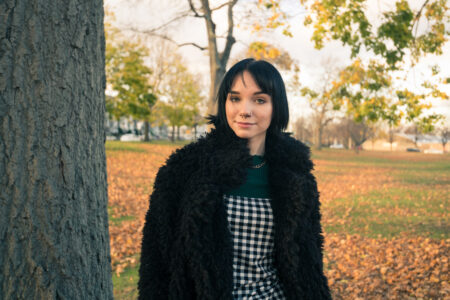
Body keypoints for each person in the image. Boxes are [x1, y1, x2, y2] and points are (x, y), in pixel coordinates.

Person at [138, 58, 331, 299]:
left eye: (259, 100)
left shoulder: (296, 175)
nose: (245, 110)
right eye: (235, 98)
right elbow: (156, 261)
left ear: (276, 107)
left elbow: (308, 260)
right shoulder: (185, 170)